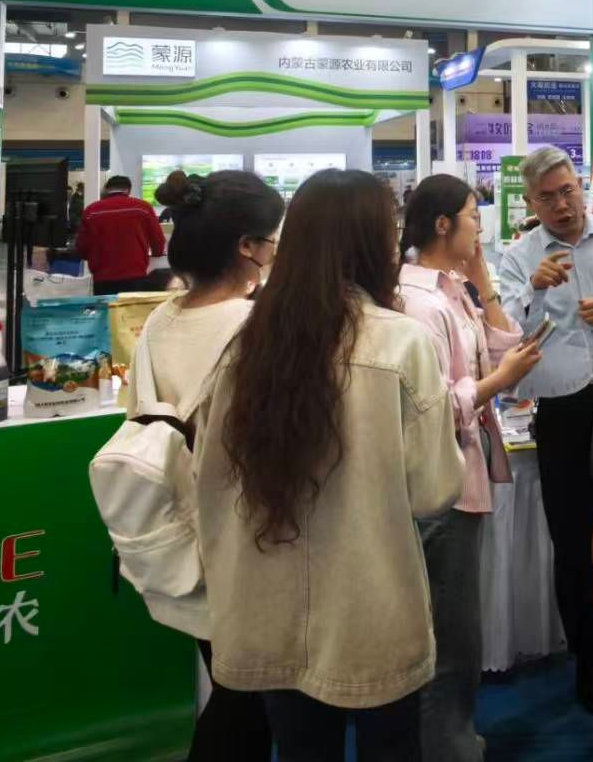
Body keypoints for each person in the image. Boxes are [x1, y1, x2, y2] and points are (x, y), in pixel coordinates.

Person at [194, 170, 464, 760]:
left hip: (267, 605)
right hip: (373, 604)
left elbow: (208, 483)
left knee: (300, 749)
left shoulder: (246, 345)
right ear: (371, 242)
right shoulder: (399, 343)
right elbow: (435, 489)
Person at [132, 169, 284, 762]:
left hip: (178, 536)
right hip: (246, 544)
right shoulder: (256, 327)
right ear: (247, 247)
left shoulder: (160, 318)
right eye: (271, 241)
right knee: (248, 706)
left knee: (233, 690)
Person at [495, 145, 593, 715]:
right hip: (561, 412)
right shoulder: (518, 258)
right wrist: (534, 290)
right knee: (572, 546)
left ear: (581, 186)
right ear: (531, 203)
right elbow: (505, 335)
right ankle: (589, 660)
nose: (562, 205)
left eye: (568, 191)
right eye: (548, 198)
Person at [397, 175, 544, 762]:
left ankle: (452, 737)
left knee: (459, 624)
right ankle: (445, 745)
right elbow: (430, 406)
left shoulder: (454, 289)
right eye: (473, 217)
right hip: (443, 481)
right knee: (448, 632)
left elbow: (505, 345)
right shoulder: (416, 301)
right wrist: (497, 383)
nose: (480, 229)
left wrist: (484, 283)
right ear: (443, 225)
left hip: (465, 471)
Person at [75, 175, 166, 295]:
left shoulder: (91, 211)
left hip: (102, 277)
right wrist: (157, 253)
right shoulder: (143, 208)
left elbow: (82, 246)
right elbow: (158, 240)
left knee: (107, 307)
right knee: (133, 306)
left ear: (107, 189)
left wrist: (91, 257)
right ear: (128, 190)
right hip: (135, 274)